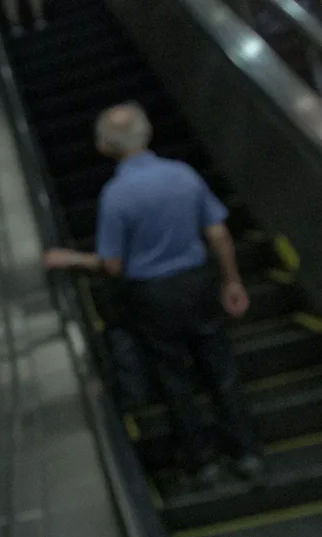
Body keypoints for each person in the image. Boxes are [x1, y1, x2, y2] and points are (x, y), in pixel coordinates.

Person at [43, 102, 265, 487]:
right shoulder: (183, 174)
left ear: (104, 147)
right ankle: (247, 454)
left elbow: (113, 266)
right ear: (147, 133)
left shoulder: (116, 196)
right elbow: (218, 234)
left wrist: (72, 258)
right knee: (221, 370)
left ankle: (201, 463)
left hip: (154, 296)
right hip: (198, 283)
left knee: (173, 378)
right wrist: (231, 281)